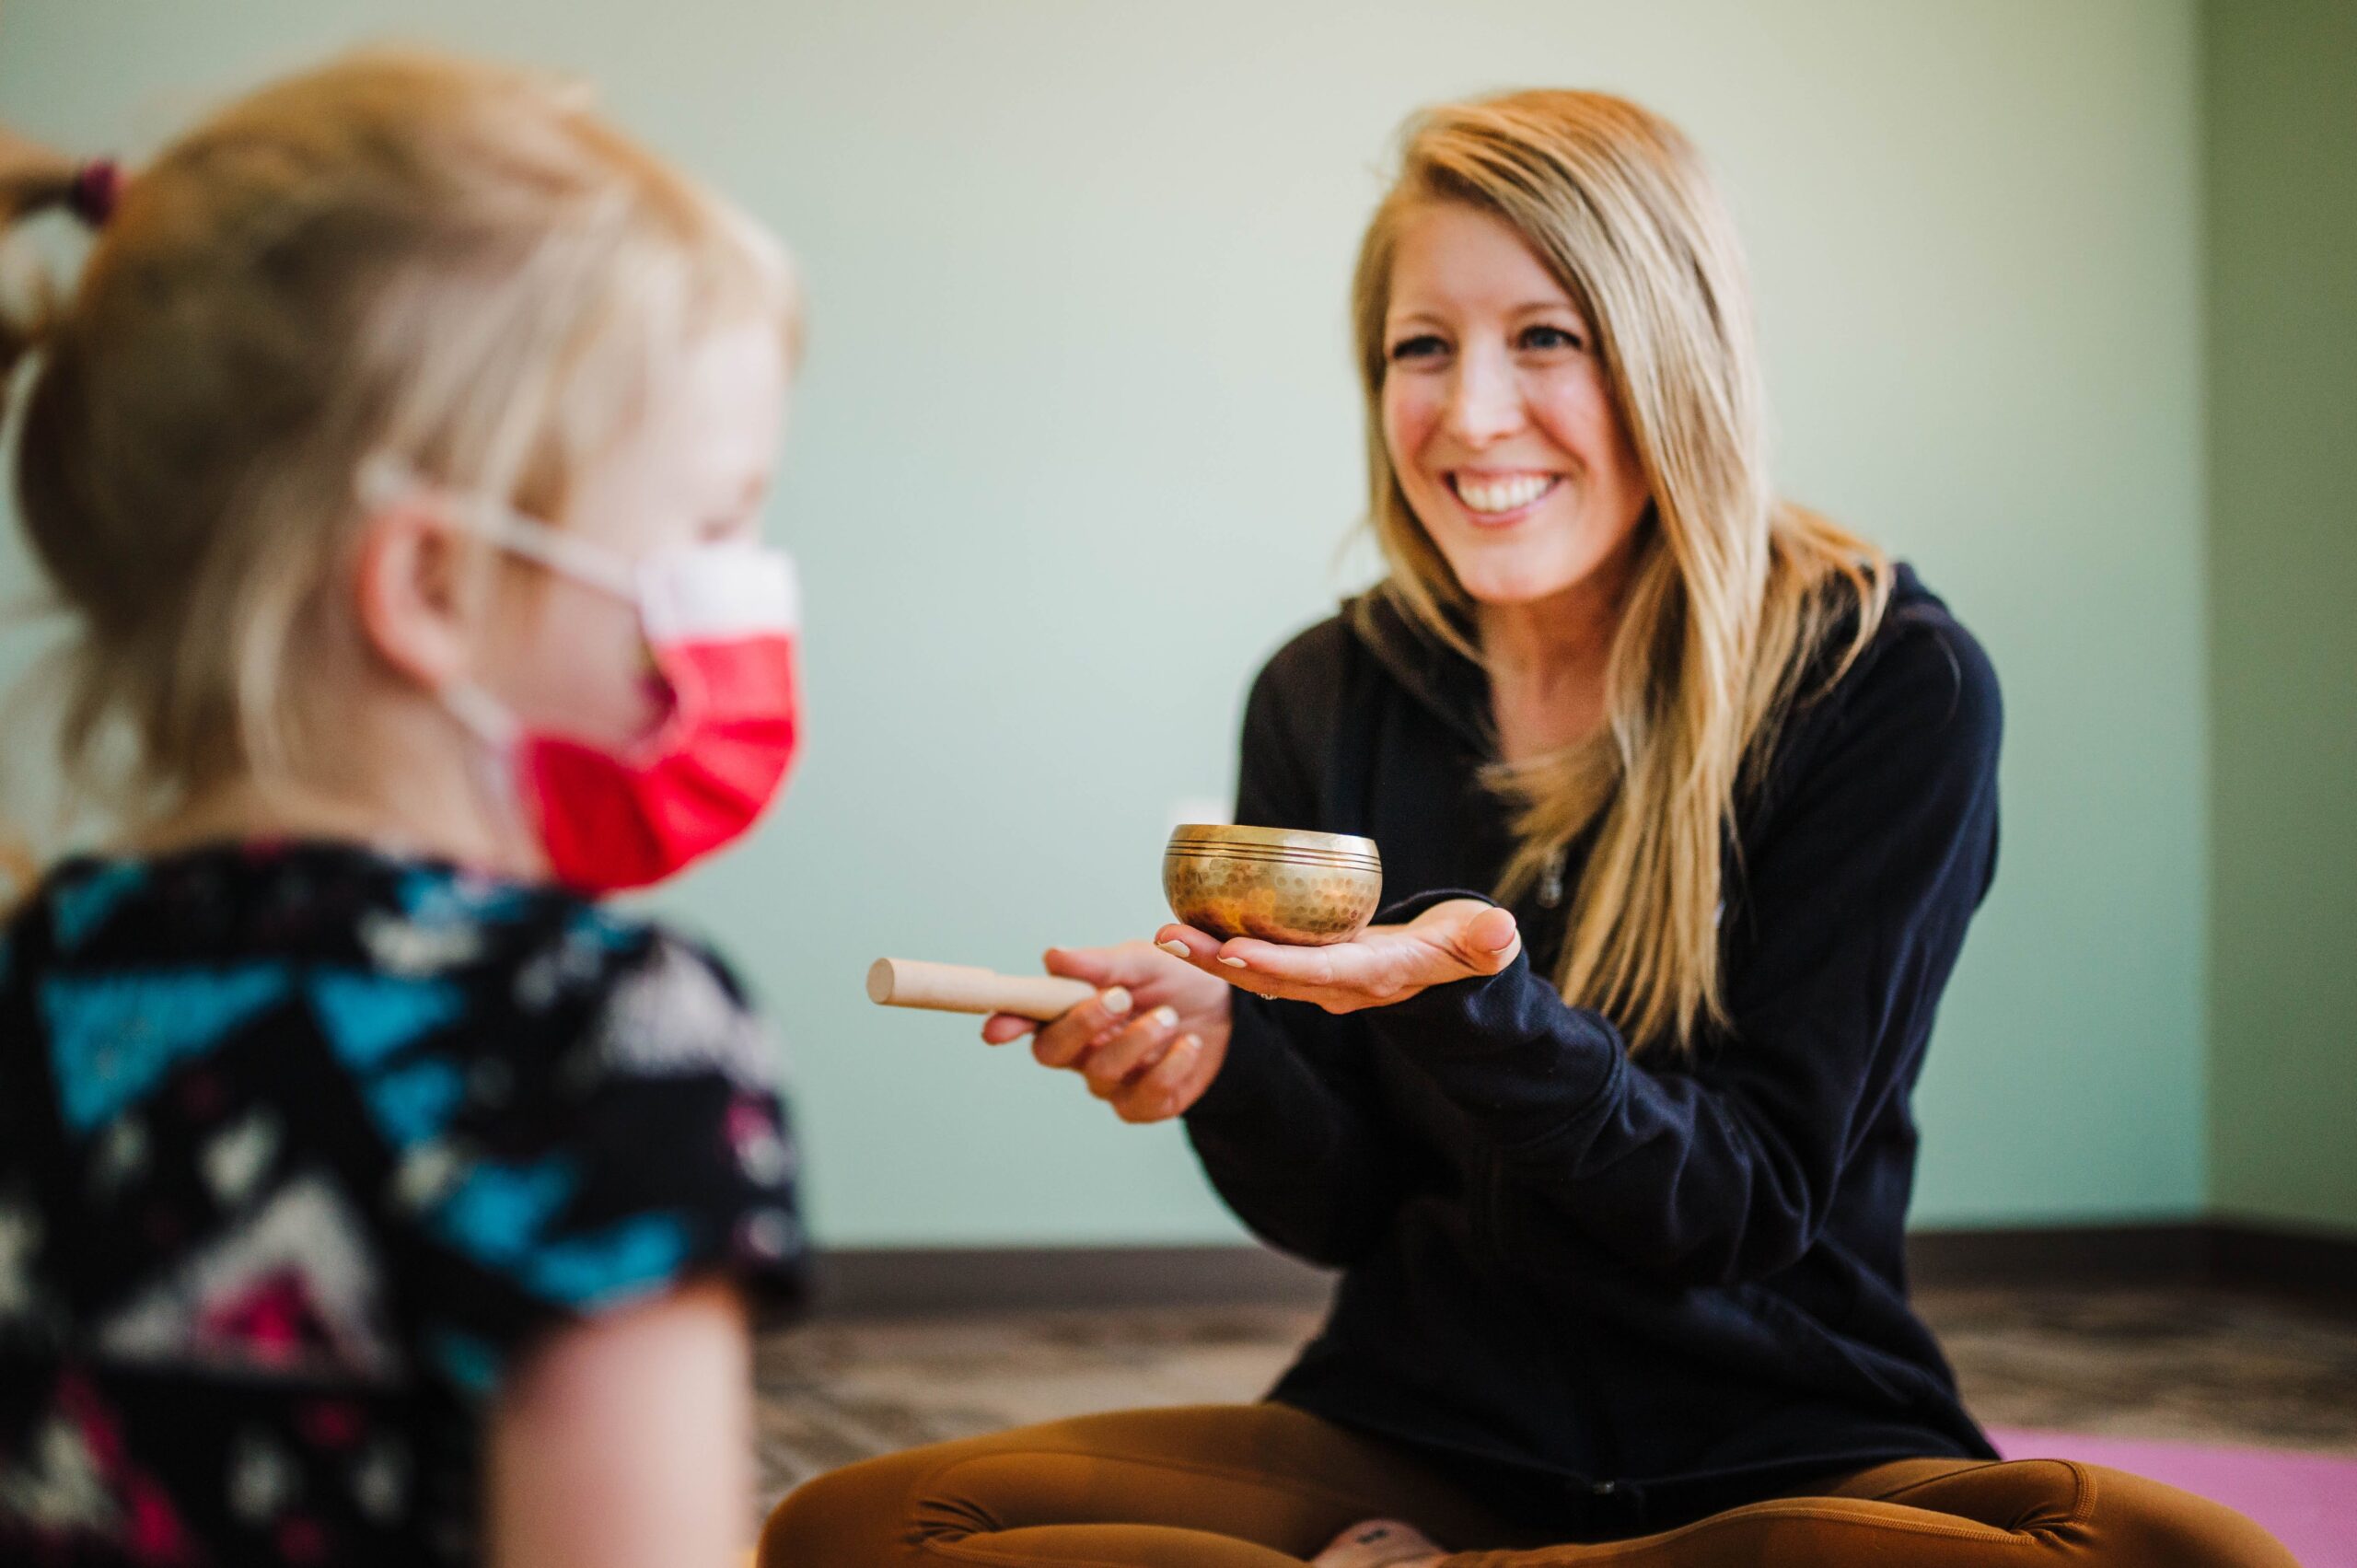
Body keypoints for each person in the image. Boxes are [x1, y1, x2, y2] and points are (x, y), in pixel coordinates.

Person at [762, 89, 2293, 1568]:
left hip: (1779, 1437)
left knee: (2188, 1556)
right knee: (852, 1533)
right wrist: (1230, 1059)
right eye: (1421, 348)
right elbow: (1347, 1206)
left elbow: (1738, 1208)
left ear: (1674, 357)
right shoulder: (1328, 690)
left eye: (1546, 338)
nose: (1471, 414)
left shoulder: (1886, 677)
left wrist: (1468, 1003)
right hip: (1418, 1426)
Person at [0, 50, 809, 1568]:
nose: (747, 590)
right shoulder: (592, 1041)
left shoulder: (40, 966)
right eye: (712, 524)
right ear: (429, 583)